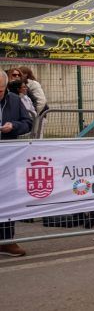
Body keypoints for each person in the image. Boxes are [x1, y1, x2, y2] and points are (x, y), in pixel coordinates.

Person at [0, 70, 33, 257]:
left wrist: (13, 126)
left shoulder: (14, 100)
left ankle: (6, 240)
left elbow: (28, 122)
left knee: (8, 197)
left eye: (0, 91)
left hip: (8, 156)